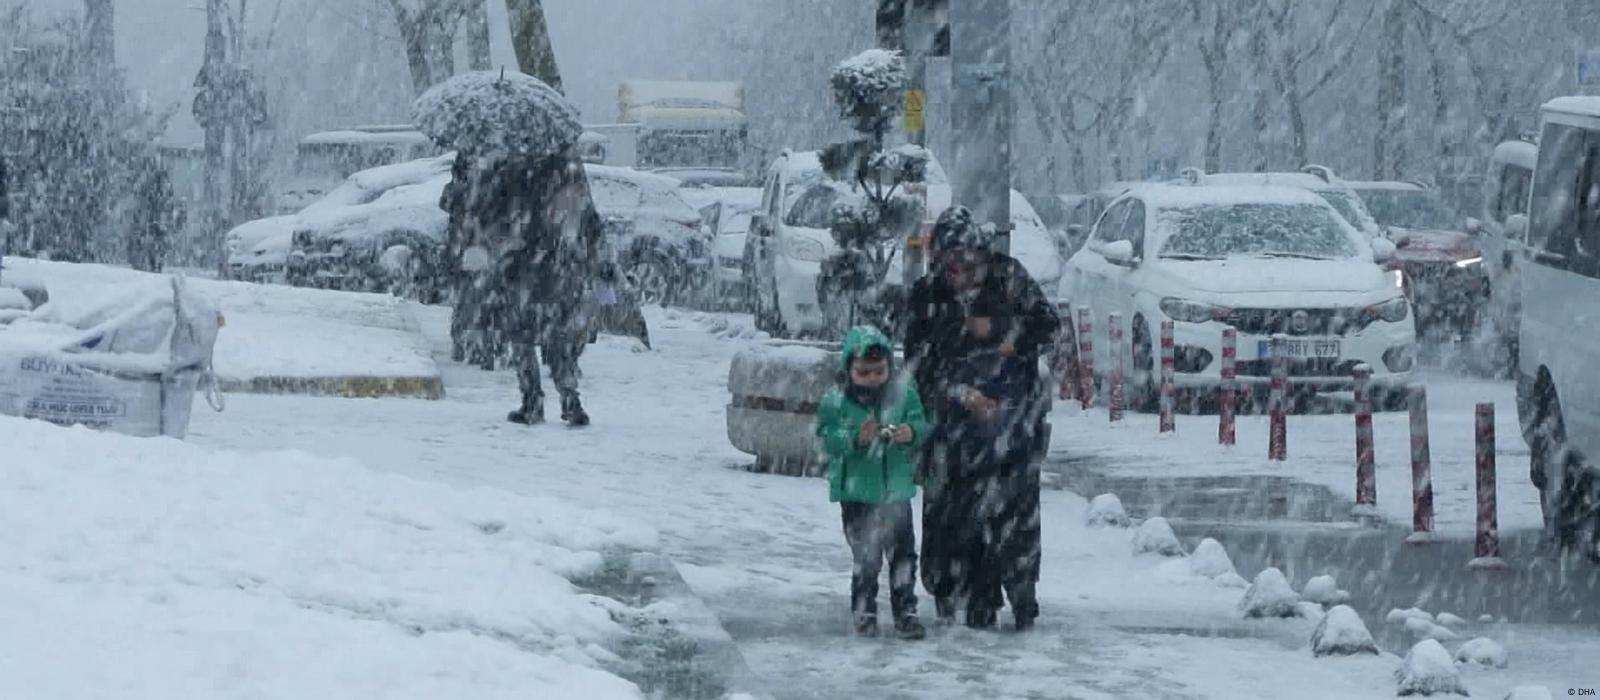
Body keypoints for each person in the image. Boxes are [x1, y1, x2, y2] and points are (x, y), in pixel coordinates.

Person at [901, 205, 1059, 630]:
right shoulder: (926, 297)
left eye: (969, 261)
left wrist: (1008, 341)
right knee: (952, 515)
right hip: (952, 427)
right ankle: (957, 594)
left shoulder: (1009, 278)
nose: (961, 271)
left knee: (1014, 516)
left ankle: (1019, 593)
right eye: (951, 263)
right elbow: (916, 367)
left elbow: (1049, 326)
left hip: (1011, 423)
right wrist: (959, 393)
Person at [441, 147, 602, 426]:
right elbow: (588, 215)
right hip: (557, 266)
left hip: (521, 265)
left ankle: (532, 402)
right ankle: (570, 400)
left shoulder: (508, 165)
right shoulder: (565, 164)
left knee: (521, 336)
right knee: (555, 338)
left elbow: (483, 208)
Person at [815, 325, 928, 640]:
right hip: (858, 494)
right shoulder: (837, 402)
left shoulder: (903, 395)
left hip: (896, 492)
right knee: (866, 556)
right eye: (863, 373)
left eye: (879, 372)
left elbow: (921, 421)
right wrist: (854, 437)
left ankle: (905, 611)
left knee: (903, 554)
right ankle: (864, 612)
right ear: (848, 370)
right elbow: (826, 437)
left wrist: (911, 432)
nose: (872, 379)